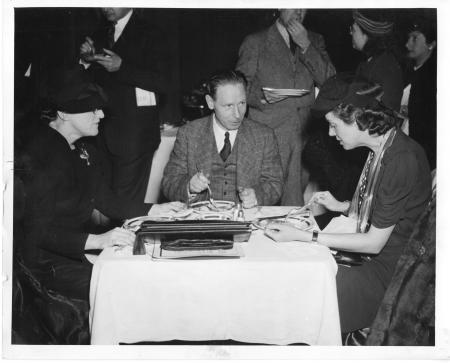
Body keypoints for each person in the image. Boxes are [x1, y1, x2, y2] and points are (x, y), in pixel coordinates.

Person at [264, 75, 431, 334]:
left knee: (297, 295)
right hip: (373, 262)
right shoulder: (384, 147)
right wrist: (342, 206)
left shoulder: (400, 160)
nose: (330, 134)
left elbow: (374, 243)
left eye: (333, 125)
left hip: (386, 276)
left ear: (355, 118)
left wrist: (304, 235)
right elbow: (386, 213)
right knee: (292, 269)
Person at [19, 66, 182, 304]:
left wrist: (156, 210)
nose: (102, 115)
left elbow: (104, 199)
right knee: (128, 288)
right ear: (63, 112)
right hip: (41, 264)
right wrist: (98, 241)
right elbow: (37, 231)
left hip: (71, 252)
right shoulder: (38, 155)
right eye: (93, 109)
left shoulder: (85, 150)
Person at [236, 9, 335, 205]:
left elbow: (331, 83)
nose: (298, 10)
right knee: (263, 198)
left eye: (304, 6)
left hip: (305, 135)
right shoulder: (255, 42)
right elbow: (238, 86)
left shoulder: (315, 40)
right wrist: (258, 97)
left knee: (295, 200)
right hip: (269, 132)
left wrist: (306, 45)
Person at [79, 8, 169, 202]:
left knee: (124, 207)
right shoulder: (98, 33)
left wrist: (122, 68)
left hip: (134, 136)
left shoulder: (153, 33)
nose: (105, 6)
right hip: (99, 134)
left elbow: (164, 82)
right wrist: (86, 62)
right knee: (104, 204)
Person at [162, 70, 283, 208]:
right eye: (228, 106)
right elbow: (169, 182)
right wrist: (189, 186)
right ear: (210, 102)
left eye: (242, 103)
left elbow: (275, 184)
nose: (237, 114)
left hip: (244, 219)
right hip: (201, 219)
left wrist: (257, 196)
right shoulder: (189, 134)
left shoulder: (264, 136)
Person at [404, 13, 437, 169]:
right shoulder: (416, 71)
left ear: (431, 44)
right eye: (409, 38)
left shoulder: (432, 79)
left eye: (415, 39)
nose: (407, 44)